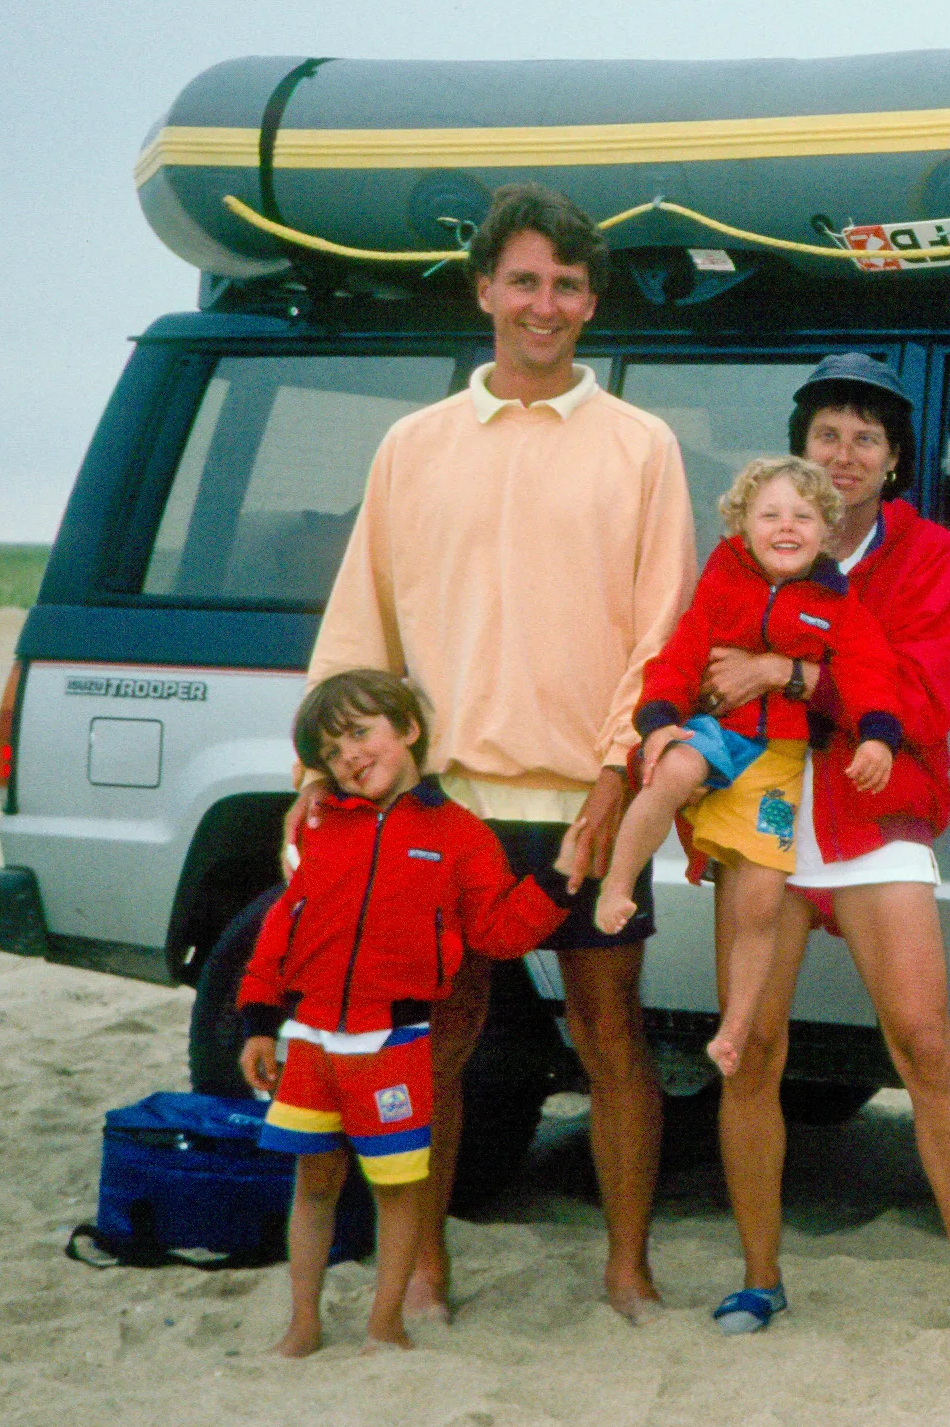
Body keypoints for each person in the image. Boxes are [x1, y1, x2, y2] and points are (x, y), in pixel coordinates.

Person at [295, 183, 695, 1323]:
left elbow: (662, 634)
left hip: (587, 800)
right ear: (483, 291)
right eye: (524, 281)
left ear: (591, 302)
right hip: (444, 805)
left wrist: (618, 776)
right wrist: (320, 775)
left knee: (611, 1038)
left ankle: (627, 1271)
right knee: (439, 1042)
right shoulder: (412, 446)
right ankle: (424, 1270)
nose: (544, 305)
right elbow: (359, 628)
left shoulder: (642, 446)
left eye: (567, 285)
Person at [698, 353, 950, 1355]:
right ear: (798, 448)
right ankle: (759, 1279)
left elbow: (927, 701)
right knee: (752, 1053)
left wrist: (788, 672)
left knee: (926, 1045)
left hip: (873, 821)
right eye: (826, 435)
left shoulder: (931, 558)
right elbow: (705, 671)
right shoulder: (746, 546)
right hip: (762, 821)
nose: (844, 454)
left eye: (866, 438)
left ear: (894, 460)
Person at [241, 671, 572, 1355]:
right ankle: (302, 1323)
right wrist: (258, 1021)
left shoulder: (461, 835)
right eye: (331, 752)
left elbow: (498, 933)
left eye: (360, 734)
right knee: (314, 1181)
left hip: (394, 1044)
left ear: (410, 729)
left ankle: (385, 1323)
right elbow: (282, 926)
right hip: (312, 1039)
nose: (349, 757)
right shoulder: (321, 826)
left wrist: (561, 881)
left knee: (398, 1189)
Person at [590, 454, 912, 1076]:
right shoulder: (721, 585)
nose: (786, 526)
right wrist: (657, 721)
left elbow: (870, 672)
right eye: (770, 515)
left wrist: (878, 739)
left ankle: (734, 1029)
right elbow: (679, 657)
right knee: (673, 769)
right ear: (742, 525)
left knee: (762, 900)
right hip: (718, 731)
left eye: (803, 517)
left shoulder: (837, 604)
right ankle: (619, 886)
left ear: (827, 531)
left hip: (778, 760)